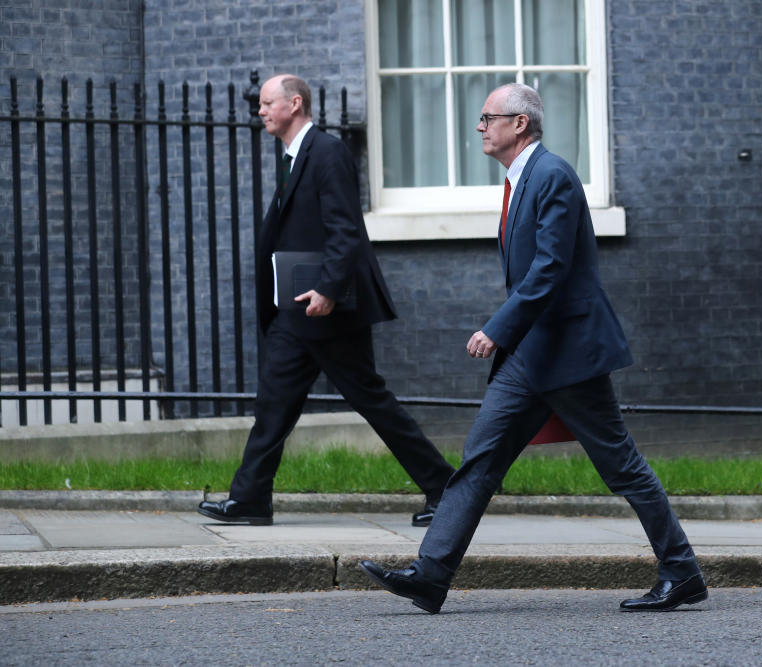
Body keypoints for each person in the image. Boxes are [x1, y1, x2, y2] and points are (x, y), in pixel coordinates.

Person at [359, 83, 706, 613]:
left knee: (621, 466)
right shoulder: (522, 179)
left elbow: (550, 268)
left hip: (567, 355)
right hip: (531, 356)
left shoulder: (552, 176)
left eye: (487, 117)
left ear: (519, 123)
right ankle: (431, 575)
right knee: (479, 462)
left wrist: (498, 327)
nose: (479, 126)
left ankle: (681, 571)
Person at [198, 74, 454, 527]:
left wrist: (330, 289)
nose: (260, 110)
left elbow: (345, 228)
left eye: (267, 102)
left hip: (327, 309)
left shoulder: (327, 152)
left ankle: (445, 489)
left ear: (294, 103)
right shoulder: (295, 156)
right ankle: (250, 499)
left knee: (372, 400)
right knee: (273, 403)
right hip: (297, 311)